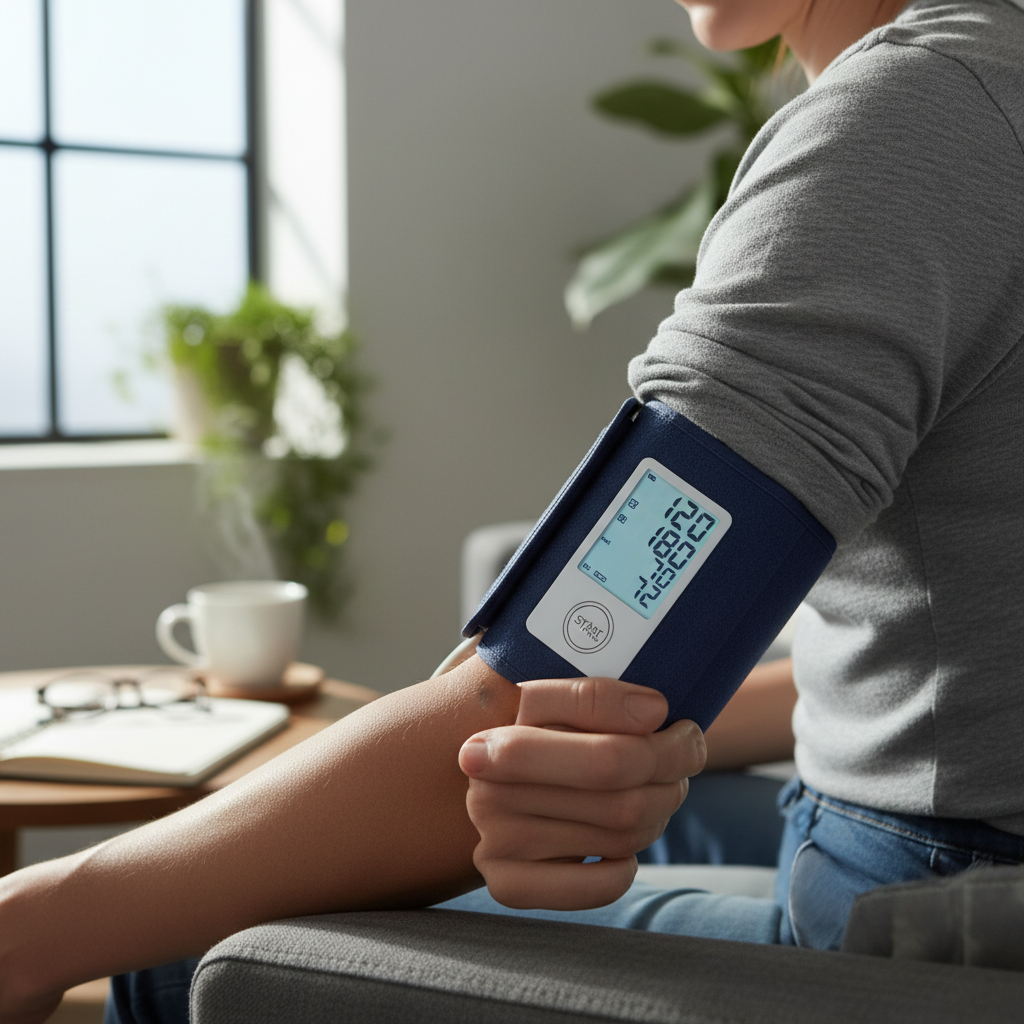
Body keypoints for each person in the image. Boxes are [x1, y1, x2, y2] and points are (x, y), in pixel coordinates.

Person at [1, 0, 1022, 1021]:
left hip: (922, 907)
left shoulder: (915, 120)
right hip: (942, 831)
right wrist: (666, 728)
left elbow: (532, 691)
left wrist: (26, 930)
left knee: (173, 952)